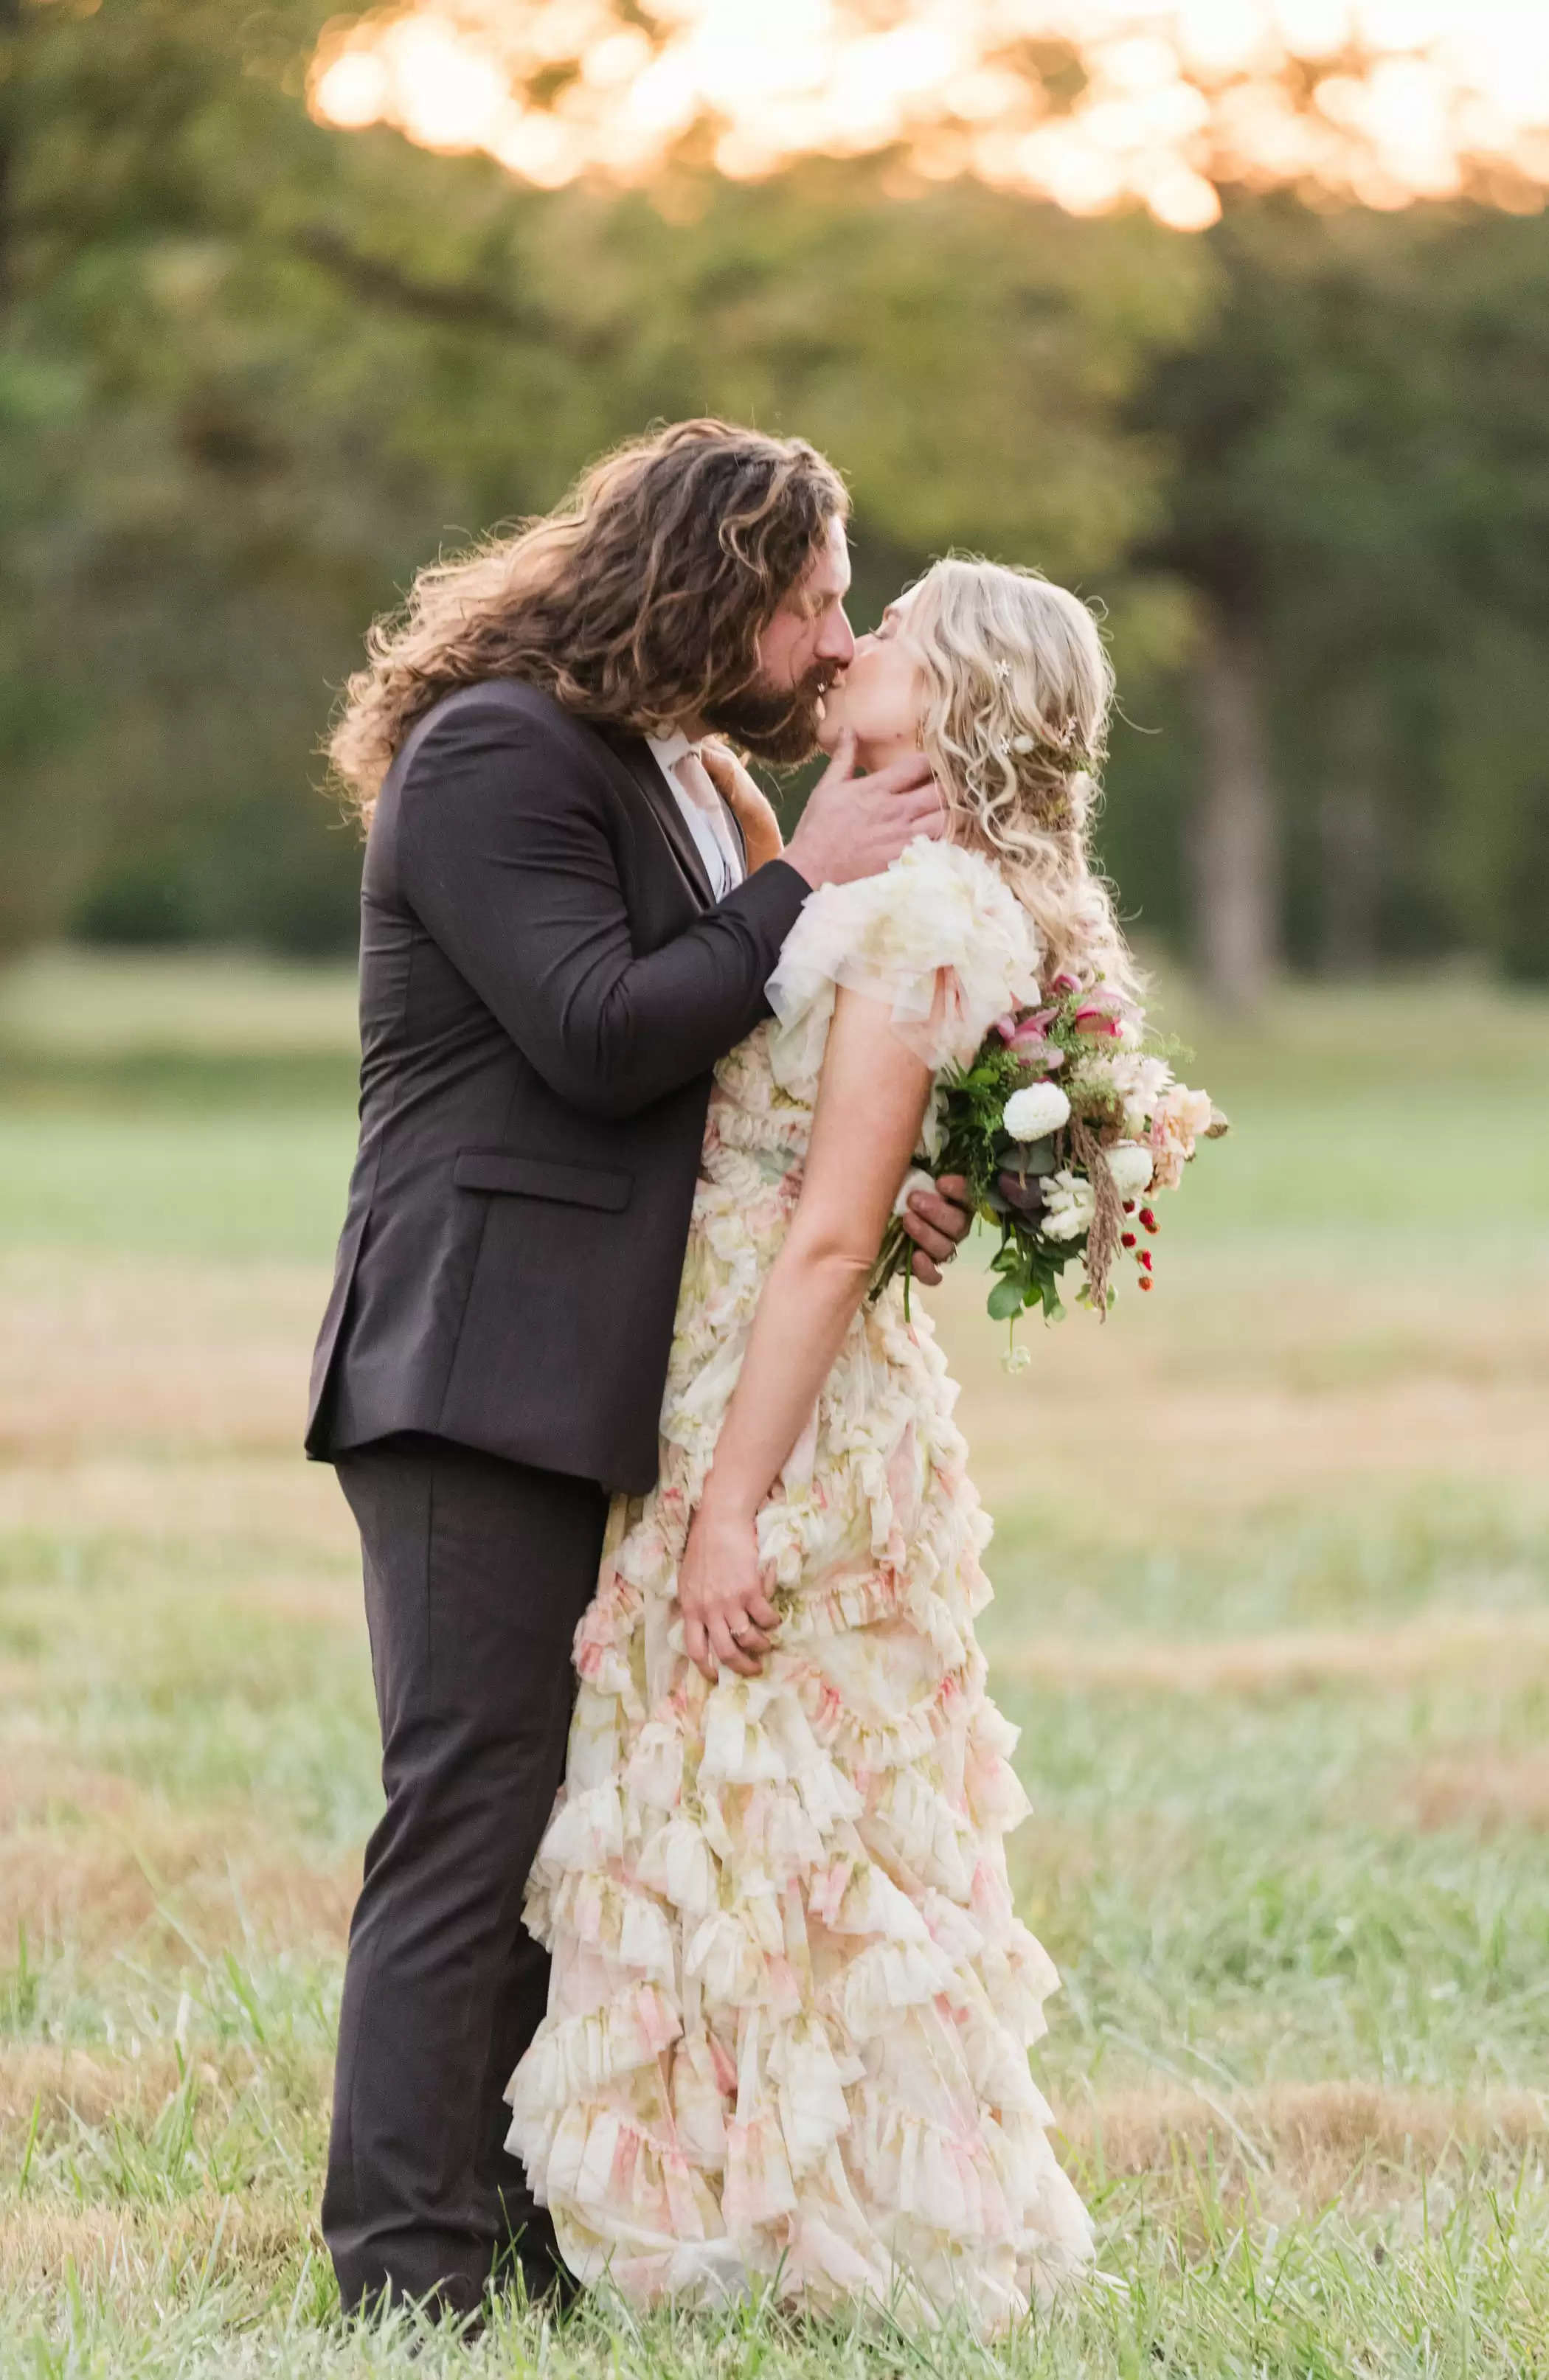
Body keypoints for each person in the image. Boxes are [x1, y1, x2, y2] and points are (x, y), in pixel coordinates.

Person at [305, 420, 979, 2320]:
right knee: (467, 1807)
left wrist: (897, 1190)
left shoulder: (671, 770)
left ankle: (521, 2249)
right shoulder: (496, 754)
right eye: (816, 606)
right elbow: (604, 1035)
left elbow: (720, 1075)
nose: (835, 650)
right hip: (472, 1355)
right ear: (717, 587)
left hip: (604, 1365)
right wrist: (808, 877)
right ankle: (404, 2277)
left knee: (552, 1815)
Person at [507, 555, 1132, 2328]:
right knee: (751, 1793)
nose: (860, 643)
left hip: (779, 1399)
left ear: (960, 700)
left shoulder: (923, 911)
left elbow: (833, 1238)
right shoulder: (885, 870)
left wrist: (726, 1512)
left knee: (771, 1795)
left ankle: (798, 2231)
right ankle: (741, 2192)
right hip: (745, 1355)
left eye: (901, 631)